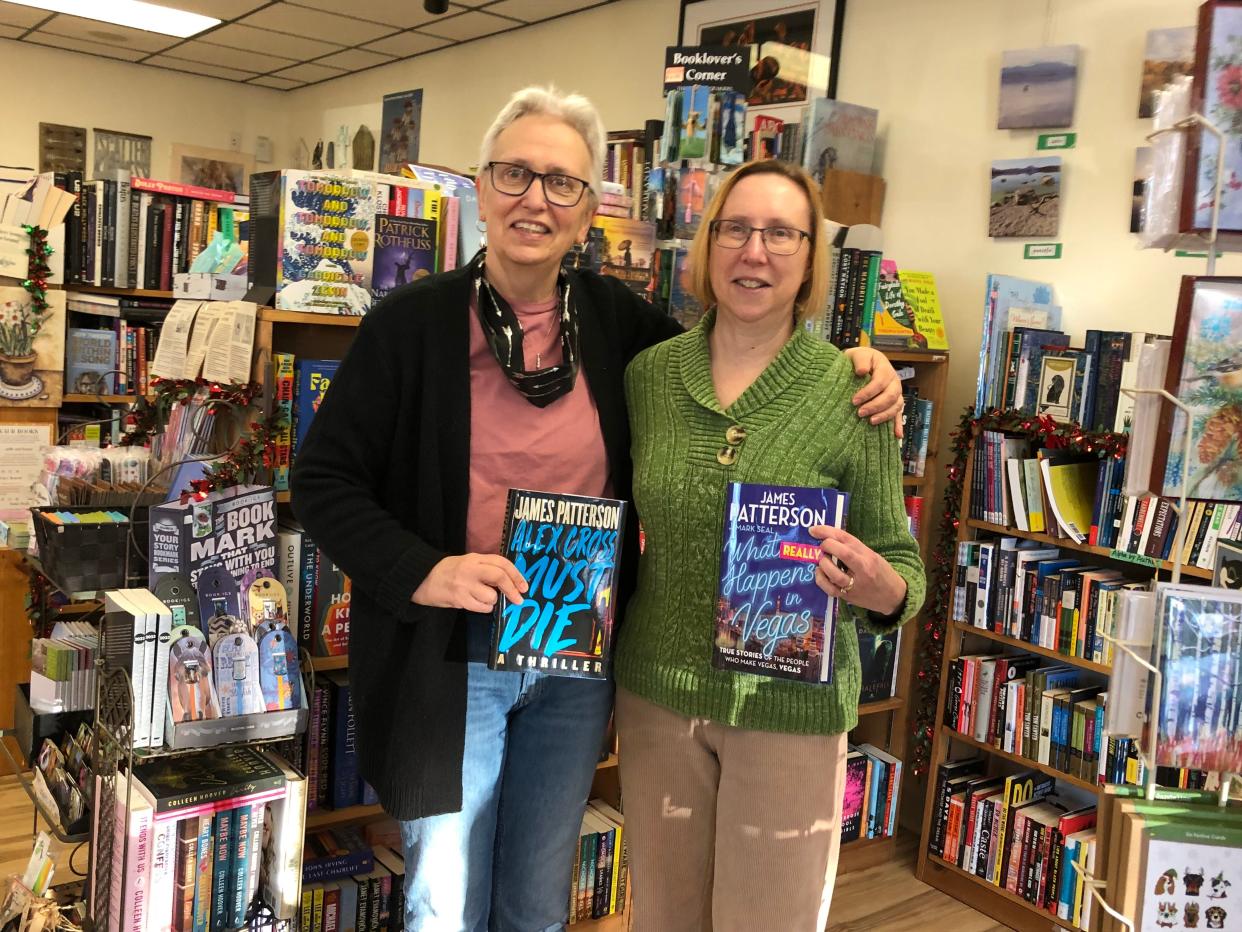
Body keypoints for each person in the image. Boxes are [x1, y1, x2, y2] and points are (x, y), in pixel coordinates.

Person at [290, 87, 905, 932]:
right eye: (515, 175)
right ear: (479, 185)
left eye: (562, 184)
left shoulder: (622, 330)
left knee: (539, 896)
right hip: (453, 657)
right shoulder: (409, 328)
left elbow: (744, 358)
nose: (535, 199)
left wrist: (864, 361)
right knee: (444, 901)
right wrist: (424, 572)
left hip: (577, 659)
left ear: (588, 214)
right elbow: (322, 480)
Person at [614, 158, 927, 932]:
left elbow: (905, 574)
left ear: (810, 259)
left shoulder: (852, 391)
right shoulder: (649, 377)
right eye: (736, 229)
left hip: (790, 710)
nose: (755, 252)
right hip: (658, 698)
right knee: (662, 918)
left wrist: (869, 582)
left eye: (781, 233)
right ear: (708, 246)